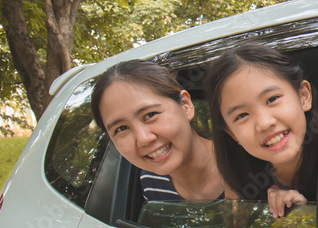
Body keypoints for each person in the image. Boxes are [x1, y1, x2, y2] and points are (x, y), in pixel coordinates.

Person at [205, 44, 318, 217]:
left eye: (272, 99)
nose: (264, 124)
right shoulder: (242, 189)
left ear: (303, 96)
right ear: (232, 133)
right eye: (242, 115)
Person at [91, 60, 224, 201]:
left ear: (185, 105)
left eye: (150, 115)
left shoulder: (245, 159)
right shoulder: (150, 182)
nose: (143, 139)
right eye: (121, 128)